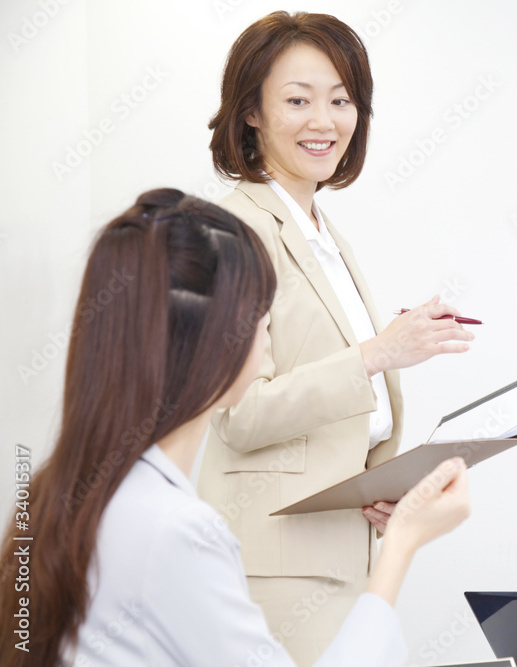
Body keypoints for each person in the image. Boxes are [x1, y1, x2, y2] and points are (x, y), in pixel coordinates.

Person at [0, 189, 470, 667]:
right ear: (214, 341)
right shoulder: (177, 533)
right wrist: (404, 542)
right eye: (259, 316)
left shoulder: (60, 498)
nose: (266, 333)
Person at [198, 11, 476, 663]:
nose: (323, 121)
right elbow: (239, 412)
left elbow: (335, 410)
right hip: (277, 565)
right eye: (298, 100)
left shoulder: (325, 236)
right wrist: (381, 351)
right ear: (251, 113)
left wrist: (380, 483)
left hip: (345, 550)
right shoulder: (233, 231)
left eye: (341, 100)